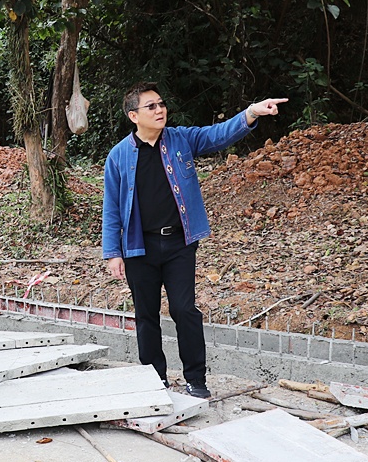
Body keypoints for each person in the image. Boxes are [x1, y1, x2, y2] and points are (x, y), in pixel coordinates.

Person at [103, 83, 288, 398]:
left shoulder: (180, 140)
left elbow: (217, 135)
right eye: (151, 106)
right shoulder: (119, 156)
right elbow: (111, 208)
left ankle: (196, 379)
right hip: (139, 248)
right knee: (146, 316)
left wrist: (251, 112)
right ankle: (154, 379)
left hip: (179, 244)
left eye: (161, 104)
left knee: (184, 309)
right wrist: (112, 253)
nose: (160, 110)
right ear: (134, 116)